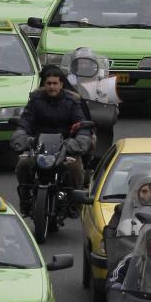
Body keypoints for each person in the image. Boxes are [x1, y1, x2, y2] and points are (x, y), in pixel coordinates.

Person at [11, 64, 92, 214]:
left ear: (61, 84)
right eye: (48, 83)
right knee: (23, 164)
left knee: (74, 168)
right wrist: (21, 136)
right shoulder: (35, 100)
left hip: (66, 147)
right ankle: (25, 199)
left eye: (55, 83)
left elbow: (82, 125)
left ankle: (73, 203)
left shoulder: (72, 102)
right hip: (39, 146)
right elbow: (25, 122)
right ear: (44, 84)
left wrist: (79, 140)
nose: (52, 87)